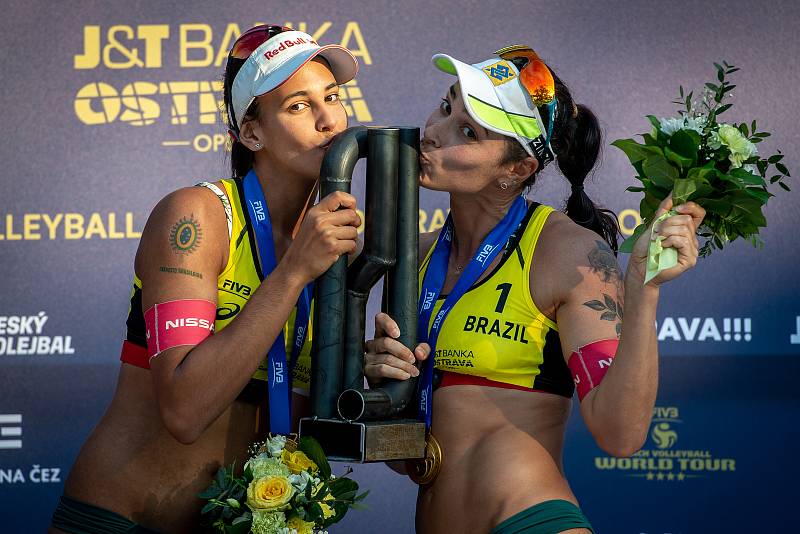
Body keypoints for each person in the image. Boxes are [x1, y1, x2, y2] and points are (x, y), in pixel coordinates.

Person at [365, 45, 705, 533]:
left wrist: (643, 289)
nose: (434, 134)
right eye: (446, 106)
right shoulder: (413, 255)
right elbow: (405, 456)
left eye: (468, 131)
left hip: (530, 520)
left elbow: (621, 434)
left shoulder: (566, 251)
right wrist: (380, 381)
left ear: (516, 170)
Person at [51, 25, 361, 533]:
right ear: (251, 133)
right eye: (299, 106)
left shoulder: (339, 238)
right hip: (122, 519)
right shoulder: (196, 217)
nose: (330, 120)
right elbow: (185, 410)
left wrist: (364, 367)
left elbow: (313, 412)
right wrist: (293, 272)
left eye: (332, 97)